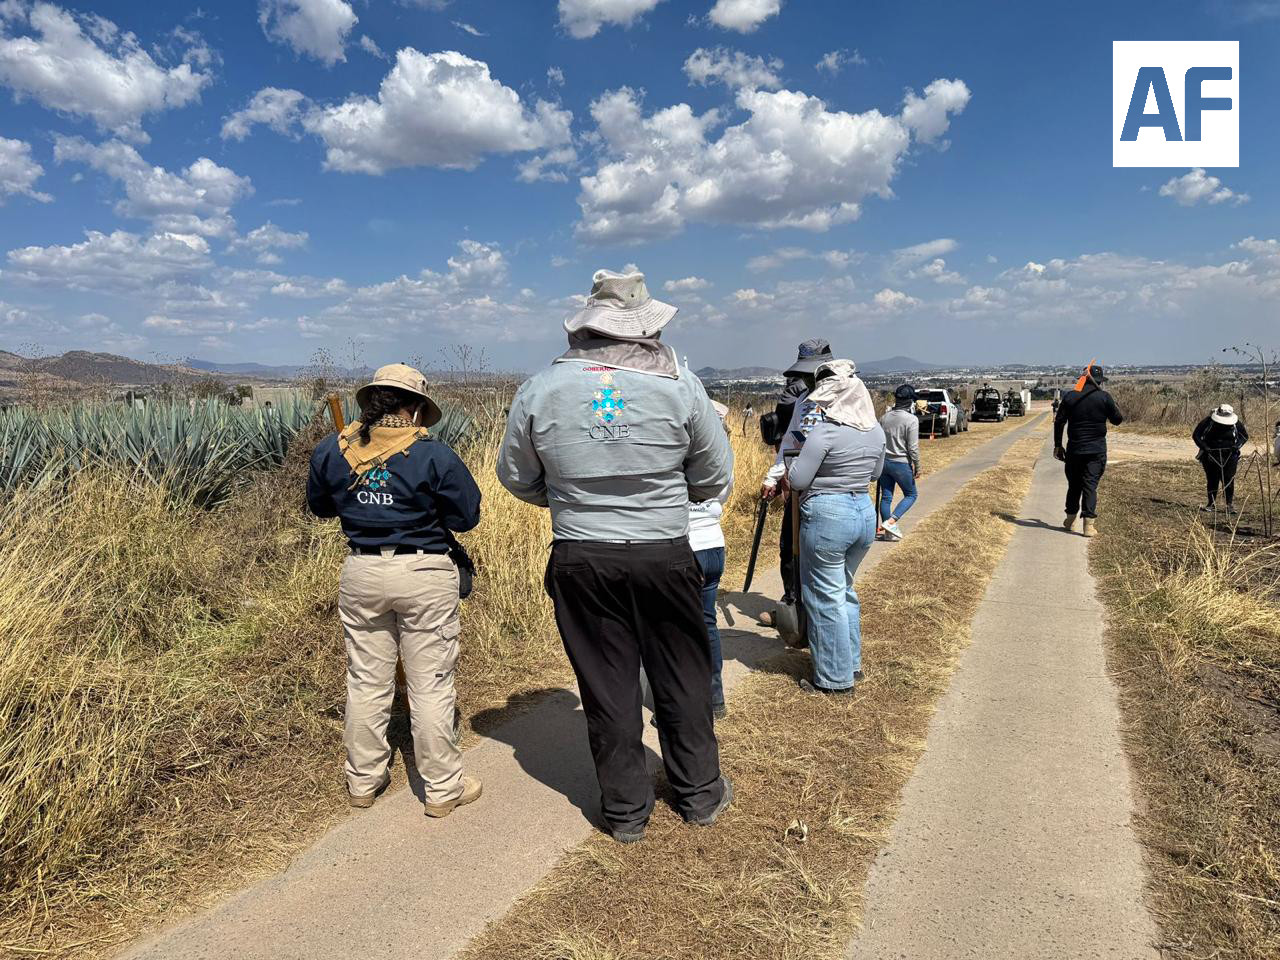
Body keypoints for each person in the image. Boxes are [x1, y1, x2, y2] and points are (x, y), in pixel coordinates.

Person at [498, 269, 734, 844]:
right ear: (645, 326)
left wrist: (567, 499)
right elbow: (714, 476)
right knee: (682, 673)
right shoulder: (681, 385)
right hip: (664, 550)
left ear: (585, 326)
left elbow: (516, 476)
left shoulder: (540, 388)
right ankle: (699, 793)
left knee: (606, 685)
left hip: (582, 553)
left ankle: (627, 811)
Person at [307, 364, 483, 817]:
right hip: (424, 572)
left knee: (366, 680)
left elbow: (320, 507)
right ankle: (442, 788)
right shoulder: (432, 454)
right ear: (417, 408)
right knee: (431, 684)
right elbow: (466, 516)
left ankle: (363, 781)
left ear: (370, 402)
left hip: (362, 570)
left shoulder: (335, 448)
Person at [786, 359, 885, 694]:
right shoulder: (875, 430)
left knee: (824, 596)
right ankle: (851, 664)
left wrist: (794, 465)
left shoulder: (826, 431)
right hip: (863, 511)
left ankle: (833, 679)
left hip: (828, 514)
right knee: (844, 589)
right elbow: (875, 473)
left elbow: (798, 479)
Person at [761, 338, 836, 603]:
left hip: (829, 488)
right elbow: (790, 441)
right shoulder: (802, 400)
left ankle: (817, 607)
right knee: (789, 547)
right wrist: (773, 477)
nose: (807, 378)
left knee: (821, 552)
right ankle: (792, 601)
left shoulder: (842, 399)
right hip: (798, 486)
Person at [688, 400, 733, 719]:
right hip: (713, 543)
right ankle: (714, 697)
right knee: (707, 622)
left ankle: (679, 702)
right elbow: (723, 497)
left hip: (684, 546)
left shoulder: (677, 453)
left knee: (674, 628)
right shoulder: (723, 457)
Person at [1053, 363, 1123, 538]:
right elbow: (1117, 420)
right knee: (1090, 485)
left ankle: (1070, 520)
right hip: (1096, 450)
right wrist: (1112, 404)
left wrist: (1058, 445)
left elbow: (1059, 421)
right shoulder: (1104, 397)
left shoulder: (1070, 396)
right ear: (1099, 381)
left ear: (1083, 379)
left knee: (1074, 485)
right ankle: (1088, 526)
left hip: (1075, 449)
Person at [878, 383, 921, 541]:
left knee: (886, 497)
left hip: (884, 461)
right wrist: (918, 466)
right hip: (901, 463)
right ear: (910, 401)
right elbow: (913, 447)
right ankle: (891, 522)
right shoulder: (911, 420)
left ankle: (889, 534)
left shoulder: (884, 417)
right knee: (911, 494)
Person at [1193, 404, 1249, 513]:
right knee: (1212, 479)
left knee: (1228, 480)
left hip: (1230, 456)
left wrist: (1237, 446)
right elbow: (1196, 435)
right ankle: (1211, 504)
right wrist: (1204, 447)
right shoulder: (1209, 421)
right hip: (1210, 455)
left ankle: (1229, 505)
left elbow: (1244, 436)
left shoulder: (1235, 423)